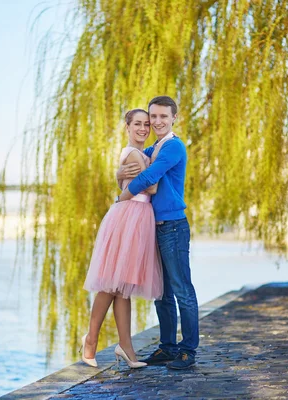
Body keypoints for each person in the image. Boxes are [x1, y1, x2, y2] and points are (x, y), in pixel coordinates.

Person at [116, 95, 198, 370]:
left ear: (174, 118)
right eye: (154, 117)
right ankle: (167, 347)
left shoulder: (173, 147)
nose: (157, 121)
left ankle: (187, 351)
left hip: (173, 226)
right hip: (155, 226)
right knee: (161, 293)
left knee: (181, 290)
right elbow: (134, 164)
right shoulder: (154, 147)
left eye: (164, 116)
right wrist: (119, 172)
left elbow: (149, 178)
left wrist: (122, 197)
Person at [81, 109, 163, 369]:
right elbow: (151, 187)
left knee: (123, 286)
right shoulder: (134, 153)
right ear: (127, 126)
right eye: (137, 123)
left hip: (136, 216)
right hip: (130, 216)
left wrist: (132, 177)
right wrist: (147, 175)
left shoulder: (141, 154)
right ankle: (90, 340)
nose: (143, 128)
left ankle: (126, 347)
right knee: (111, 284)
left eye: (146, 124)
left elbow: (132, 183)